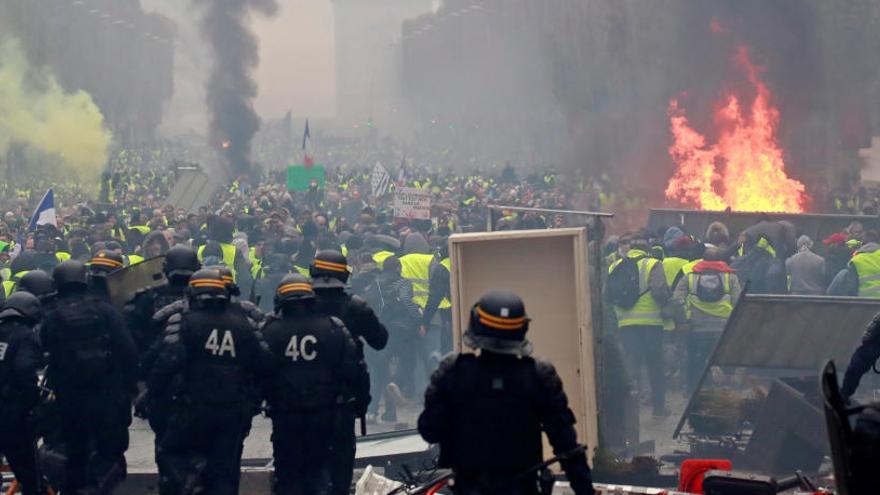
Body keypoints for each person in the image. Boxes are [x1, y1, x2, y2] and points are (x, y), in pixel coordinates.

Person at [418, 289, 595, 495]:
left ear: (475, 323)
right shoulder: (538, 376)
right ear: (522, 328)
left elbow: (429, 430)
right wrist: (585, 491)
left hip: (468, 488)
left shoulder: (454, 373)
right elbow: (568, 447)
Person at [147, 268, 270, 494]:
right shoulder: (243, 323)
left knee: (173, 454)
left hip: (192, 408)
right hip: (232, 410)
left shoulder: (186, 321)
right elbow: (263, 364)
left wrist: (151, 395)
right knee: (225, 470)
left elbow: (167, 362)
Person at [261, 274, 367, 494]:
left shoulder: (270, 331)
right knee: (318, 471)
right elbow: (354, 369)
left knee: (287, 473)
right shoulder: (332, 328)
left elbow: (258, 371)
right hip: (324, 413)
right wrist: (360, 402)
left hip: (285, 415)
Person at [41, 260, 138, 494]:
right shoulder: (106, 311)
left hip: (70, 400)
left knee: (76, 457)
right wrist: (128, 389)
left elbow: (44, 356)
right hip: (107, 397)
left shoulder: (52, 317)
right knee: (108, 457)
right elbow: (129, 352)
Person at [310, 249, 386, 495]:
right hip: (343, 398)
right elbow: (380, 340)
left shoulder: (298, 304)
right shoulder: (355, 306)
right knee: (341, 466)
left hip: (300, 398)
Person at [607, 233, 670, 416]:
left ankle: (626, 409)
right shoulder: (652, 264)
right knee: (655, 366)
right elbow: (659, 291)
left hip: (626, 324)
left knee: (630, 365)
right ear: (647, 247)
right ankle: (659, 409)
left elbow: (607, 294)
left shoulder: (615, 266)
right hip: (651, 324)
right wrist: (666, 302)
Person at [672, 248, 741, 392]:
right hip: (722, 329)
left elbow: (677, 300)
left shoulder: (689, 277)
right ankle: (720, 394)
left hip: (696, 329)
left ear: (702, 260)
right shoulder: (731, 278)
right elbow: (738, 302)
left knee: (694, 362)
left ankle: (692, 392)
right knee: (721, 362)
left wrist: (685, 318)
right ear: (720, 260)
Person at [0, 292, 44, 495]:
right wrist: (34, 399)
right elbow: (24, 369)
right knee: (30, 474)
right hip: (13, 414)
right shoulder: (24, 335)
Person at [841, 312, 880, 400]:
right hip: (872, 346)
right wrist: (867, 337)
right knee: (855, 367)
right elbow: (871, 329)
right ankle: (844, 394)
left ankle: (845, 393)